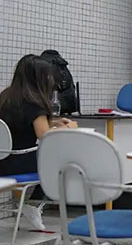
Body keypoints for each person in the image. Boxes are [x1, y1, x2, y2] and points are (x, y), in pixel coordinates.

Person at [0, 54, 78, 230]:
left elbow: (21, 125)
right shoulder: (35, 103)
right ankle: (34, 204)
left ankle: (30, 205)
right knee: (62, 160)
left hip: (2, 162)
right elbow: (46, 136)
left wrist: (55, 123)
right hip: (19, 165)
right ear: (40, 78)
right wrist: (68, 127)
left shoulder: (5, 97)